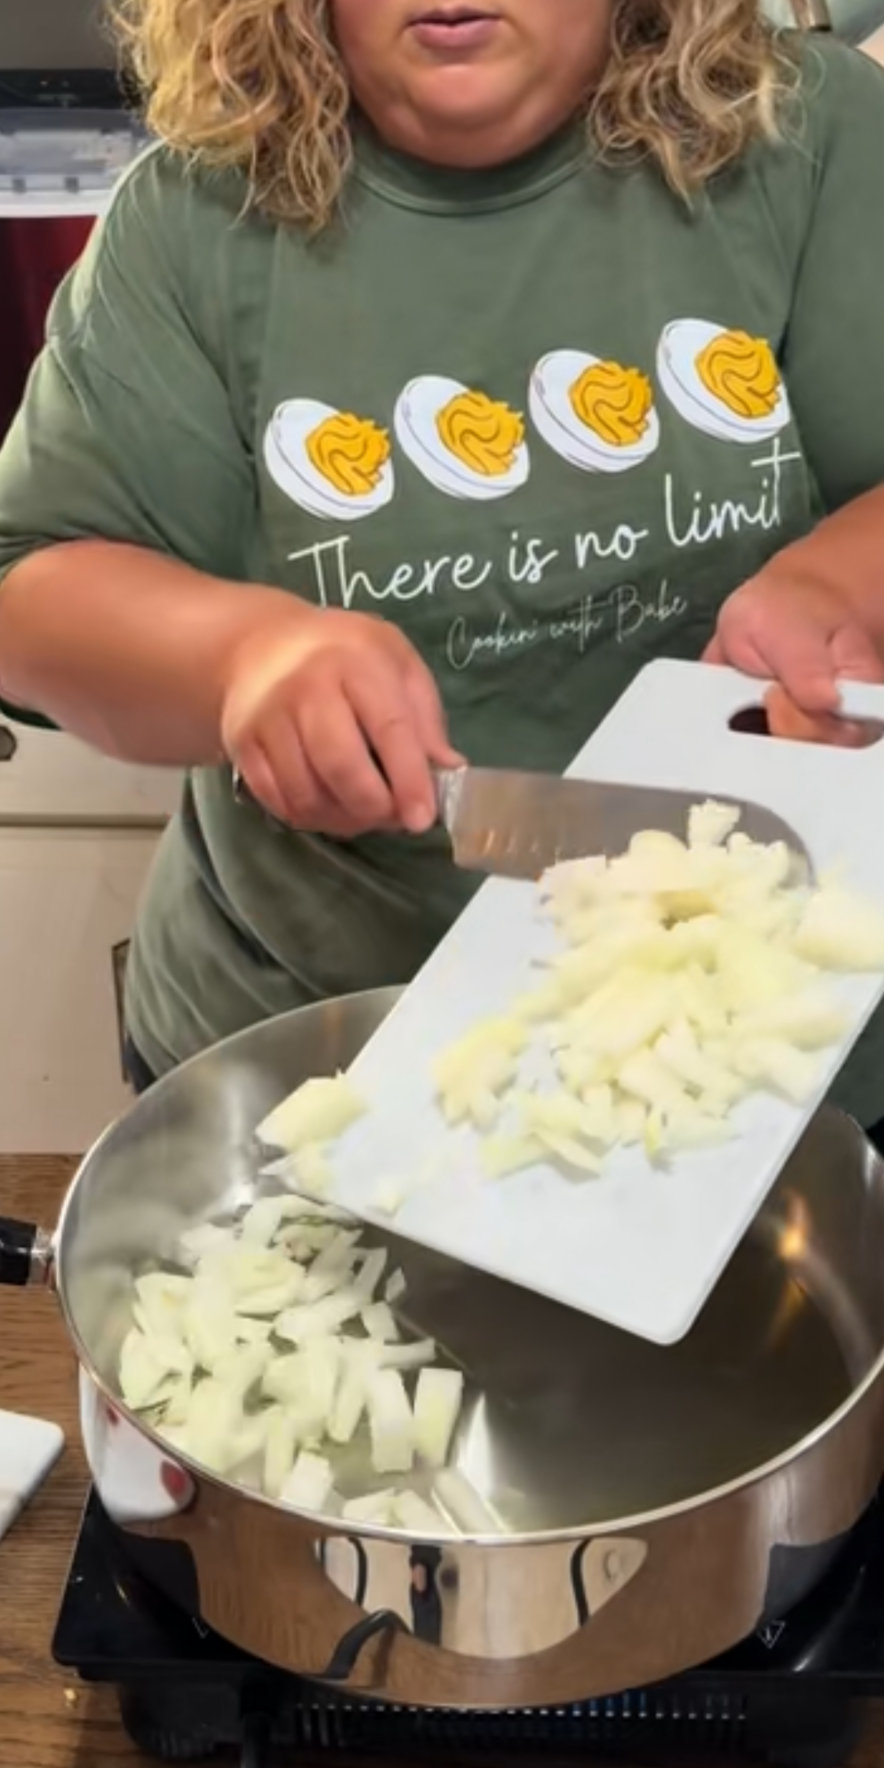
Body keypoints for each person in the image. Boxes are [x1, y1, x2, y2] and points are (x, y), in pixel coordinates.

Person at [1, 0, 884, 1128]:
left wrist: (835, 587)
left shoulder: (802, 137)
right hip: (329, 1061)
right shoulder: (193, 219)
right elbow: (29, 585)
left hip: (769, 1038)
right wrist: (242, 658)